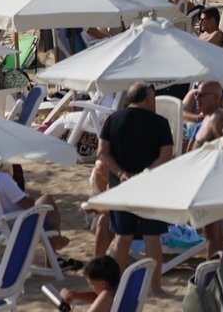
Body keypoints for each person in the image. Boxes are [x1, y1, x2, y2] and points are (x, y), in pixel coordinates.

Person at [97, 83, 173, 296]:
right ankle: (155, 288)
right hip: (150, 186)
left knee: (123, 237)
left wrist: (121, 173)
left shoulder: (113, 119)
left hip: (121, 185)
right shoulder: (160, 122)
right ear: (147, 99)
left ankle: (116, 289)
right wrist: (145, 175)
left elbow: (102, 152)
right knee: (152, 237)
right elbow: (166, 155)